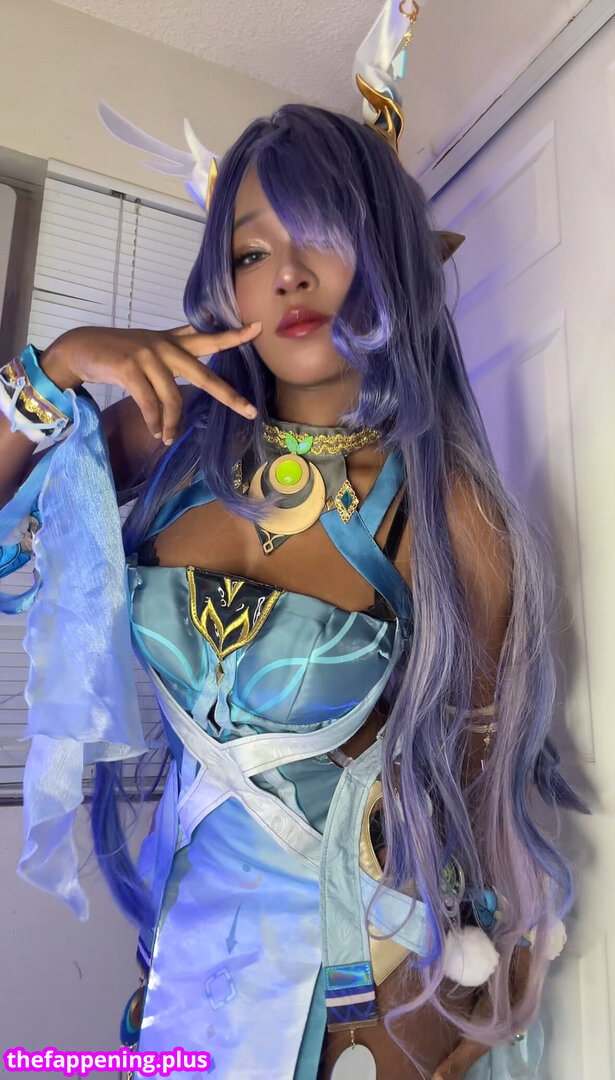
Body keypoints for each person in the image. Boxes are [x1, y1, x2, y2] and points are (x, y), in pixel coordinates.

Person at [0, 7, 587, 1080]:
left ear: (388, 257)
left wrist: (464, 994)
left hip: (363, 997)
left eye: (322, 234)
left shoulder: (445, 510)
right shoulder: (167, 446)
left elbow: (475, 786)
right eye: (251, 249)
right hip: (177, 971)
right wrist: (59, 367)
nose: (287, 274)